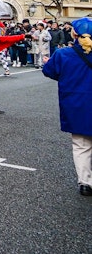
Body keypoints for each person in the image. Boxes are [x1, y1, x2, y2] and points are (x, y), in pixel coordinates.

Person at [42, 17, 92, 196]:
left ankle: (85, 182)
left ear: (74, 34)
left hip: (76, 104)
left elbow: (49, 72)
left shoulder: (63, 54)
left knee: (81, 145)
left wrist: (50, 63)